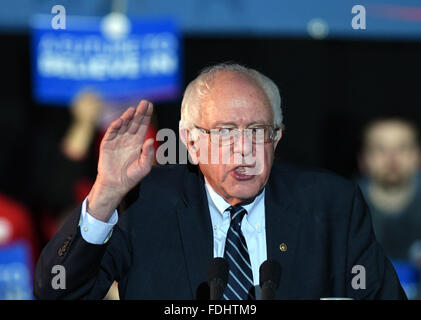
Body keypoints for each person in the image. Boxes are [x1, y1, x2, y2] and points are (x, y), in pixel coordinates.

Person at [34, 63, 406, 300]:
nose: (244, 150)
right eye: (226, 133)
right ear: (191, 143)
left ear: (277, 138)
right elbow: (57, 292)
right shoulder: (143, 204)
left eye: (258, 131)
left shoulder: (332, 205)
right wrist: (105, 195)